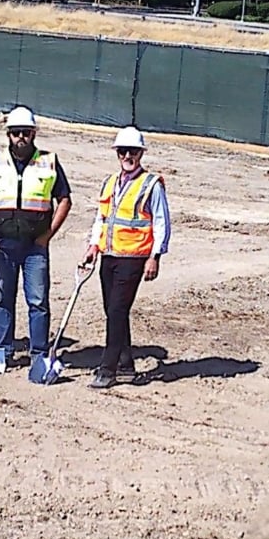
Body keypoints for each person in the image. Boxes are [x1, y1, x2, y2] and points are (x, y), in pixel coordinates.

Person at [0, 106, 72, 366]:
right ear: (8, 134)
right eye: (15, 132)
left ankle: (39, 353)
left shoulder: (49, 161)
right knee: (4, 298)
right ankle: (3, 350)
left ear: (33, 133)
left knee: (37, 301)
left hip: (34, 245)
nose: (21, 137)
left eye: (25, 132)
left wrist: (48, 235)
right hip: (2, 244)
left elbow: (64, 200)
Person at [82, 125, 171, 389]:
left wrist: (155, 257)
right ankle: (125, 364)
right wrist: (92, 246)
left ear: (141, 153)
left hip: (134, 258)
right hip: (109, 256)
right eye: (123, 151)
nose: (128, 155)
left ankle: (107, 369)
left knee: (118, 310)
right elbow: (102, 218)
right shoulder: (109, 182)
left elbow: (161, 222)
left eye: (133, 151)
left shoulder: (151, 185)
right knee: (113, 311)